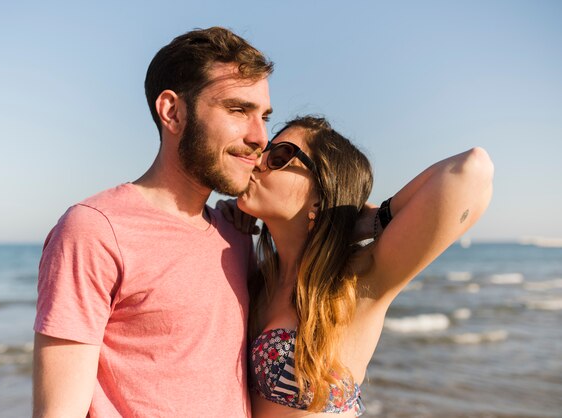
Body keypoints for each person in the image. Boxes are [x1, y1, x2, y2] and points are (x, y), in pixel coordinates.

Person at [32, 27, 274, 417]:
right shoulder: (94, 230)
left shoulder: (237, 233)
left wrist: (358, 221)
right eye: (237, 110)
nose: (260, 136)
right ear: (172, 112)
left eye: (263, 116)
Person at [222, 116, 494, 416]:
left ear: (321, 190)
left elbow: (473, 170)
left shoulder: (359, 277)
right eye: (265, 150)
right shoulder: (259, 276)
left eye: (281, 156)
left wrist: (370, 219)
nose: (258, 160)